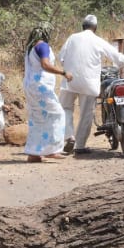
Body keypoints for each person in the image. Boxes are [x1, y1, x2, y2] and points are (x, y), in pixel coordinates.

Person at [58, 14, 124, 154]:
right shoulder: (98, 40)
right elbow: (116, 56)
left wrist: (69, 68)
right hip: (89, 83)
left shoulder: (72, 38)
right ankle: (80, 146)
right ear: (95, 28)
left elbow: (61, 57)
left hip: (69, 80)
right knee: (86, 114)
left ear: (82, 26)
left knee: (65, 109)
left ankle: (69, 137)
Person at [21, 24, 73, 162]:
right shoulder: (43, 46)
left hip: (30, 87)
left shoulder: (30, 49)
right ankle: (52, 150)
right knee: (58, 114)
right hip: (40, 87)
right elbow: (45, 64)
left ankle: (34, 153)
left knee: (38, 119)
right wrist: (63, 72)